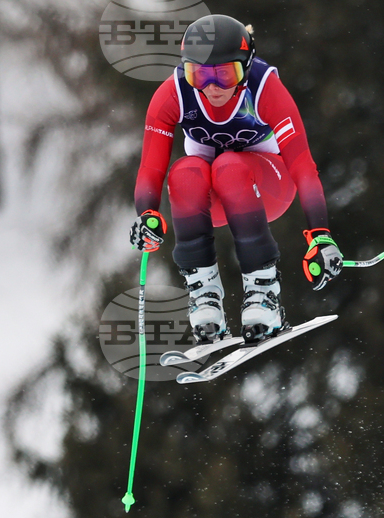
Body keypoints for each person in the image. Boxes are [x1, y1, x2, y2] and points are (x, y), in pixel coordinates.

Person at [130, 14, 343, 344]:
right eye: (198, 74)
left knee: (229, 164)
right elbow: (151, 168)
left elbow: (302, 166)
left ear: (246, 68)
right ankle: (205, 297)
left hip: (269, 188)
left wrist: (321, 234)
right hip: (212, 202)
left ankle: (264, 293)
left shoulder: (264, 86)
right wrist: (146, 214)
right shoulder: (174, 93)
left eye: (226, 75)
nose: (212, 87)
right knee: (184, 171)